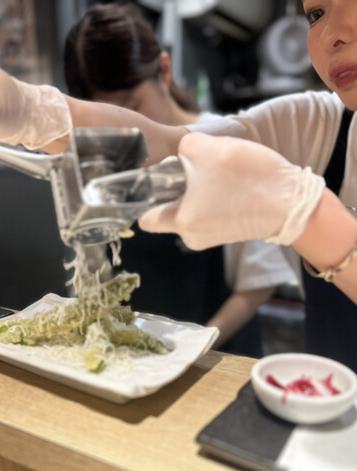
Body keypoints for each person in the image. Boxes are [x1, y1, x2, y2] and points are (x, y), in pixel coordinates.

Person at [0, 0, 357, 369]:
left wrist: (307, 216)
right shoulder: (319, 122)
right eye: (316, 12)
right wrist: (29, 111)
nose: (332, 34)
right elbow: (170, 143)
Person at [62, 2, 296, 359]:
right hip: (134, 360)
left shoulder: (226, 144)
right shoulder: (104, 160)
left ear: (165, 71)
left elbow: (258, 283)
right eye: (104, 119)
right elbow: (95, 268)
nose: (123, 128)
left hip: (217, 358)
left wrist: (190, 351)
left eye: (131, 105)